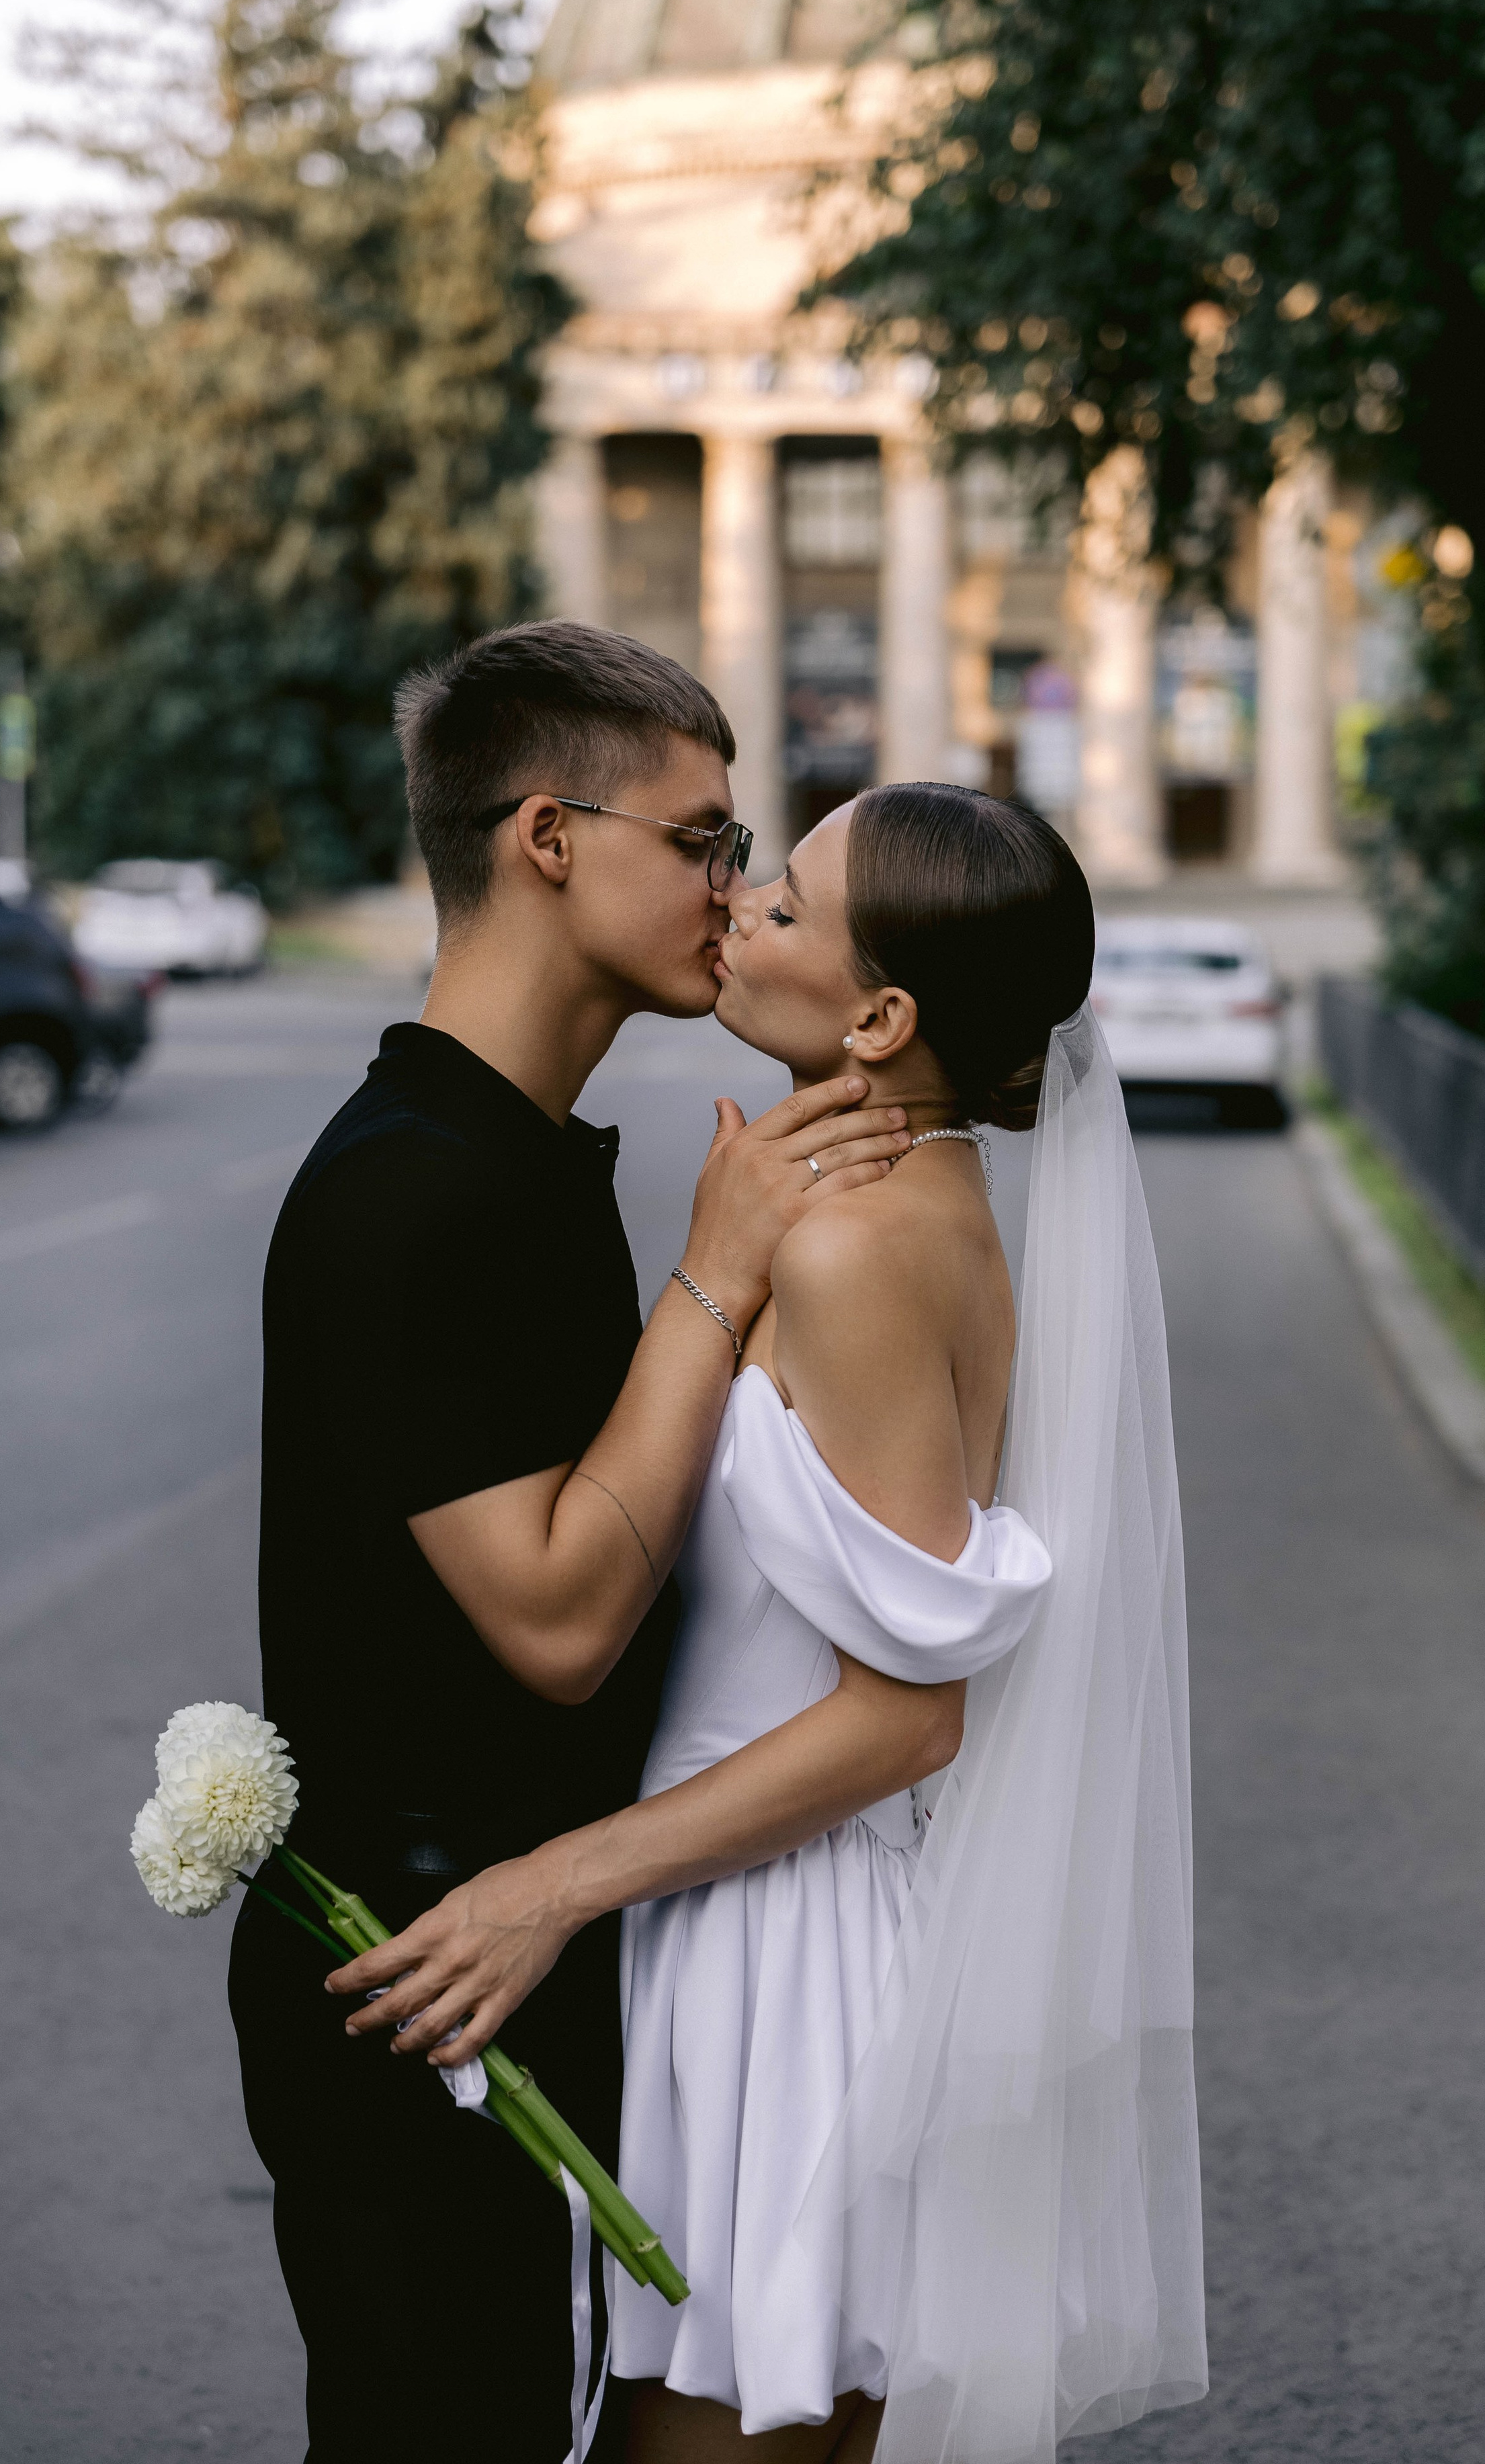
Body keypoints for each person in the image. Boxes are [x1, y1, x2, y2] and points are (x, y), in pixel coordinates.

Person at [331, 781, 1207, 2464]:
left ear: (879, 1015)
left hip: (782, 1972)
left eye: (786, 905)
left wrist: (547, 1884)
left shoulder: (865, 1245)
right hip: (740, 1920)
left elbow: (905, 1717)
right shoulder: (885, 1199)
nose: (737, 910)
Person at [229, 620, 913, 2463]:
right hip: (420, 1978)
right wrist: (719, 1271)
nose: (736, 885)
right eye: (700, 840)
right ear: (549, 839)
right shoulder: (405, 1191)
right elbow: (556, 1619)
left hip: (535, 1960)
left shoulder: (523, 1157)